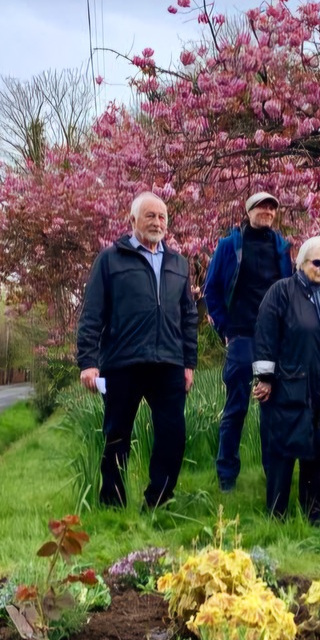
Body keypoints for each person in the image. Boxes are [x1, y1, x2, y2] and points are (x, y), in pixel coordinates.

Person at [77, 192, 199, 509]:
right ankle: (112, 504)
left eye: (162, 216)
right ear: (133, 221)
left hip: (169, 363)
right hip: (122, 363)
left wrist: (189, 363)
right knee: (116, 435)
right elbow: (92, 313)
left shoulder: (179, 264)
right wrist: (88, 362)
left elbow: (188, 316)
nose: (157, 222)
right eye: (150, 216)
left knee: (172, 436)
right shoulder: (110, 260)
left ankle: (158, 501)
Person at [204, 191, 294, 492]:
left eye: (272, 207)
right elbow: (212, 290)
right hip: (241, 335)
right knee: (236, 407)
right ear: (249, 210)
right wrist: (224, 328)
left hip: (273, 337)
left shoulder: (282, 248)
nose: (267, 211)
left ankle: (273, 474)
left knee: (273, 407)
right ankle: (226, 475)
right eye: (261, 206)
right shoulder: (230, 245)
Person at [253, 236, 320, 521]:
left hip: (318, 387)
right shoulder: (281, 291)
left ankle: (313, 513)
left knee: (314, 451)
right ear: (302, 262)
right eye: (317, 262)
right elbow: (265, 335)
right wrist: (265, 378)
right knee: (281, 452)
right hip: (286, 387)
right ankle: (276, 515)